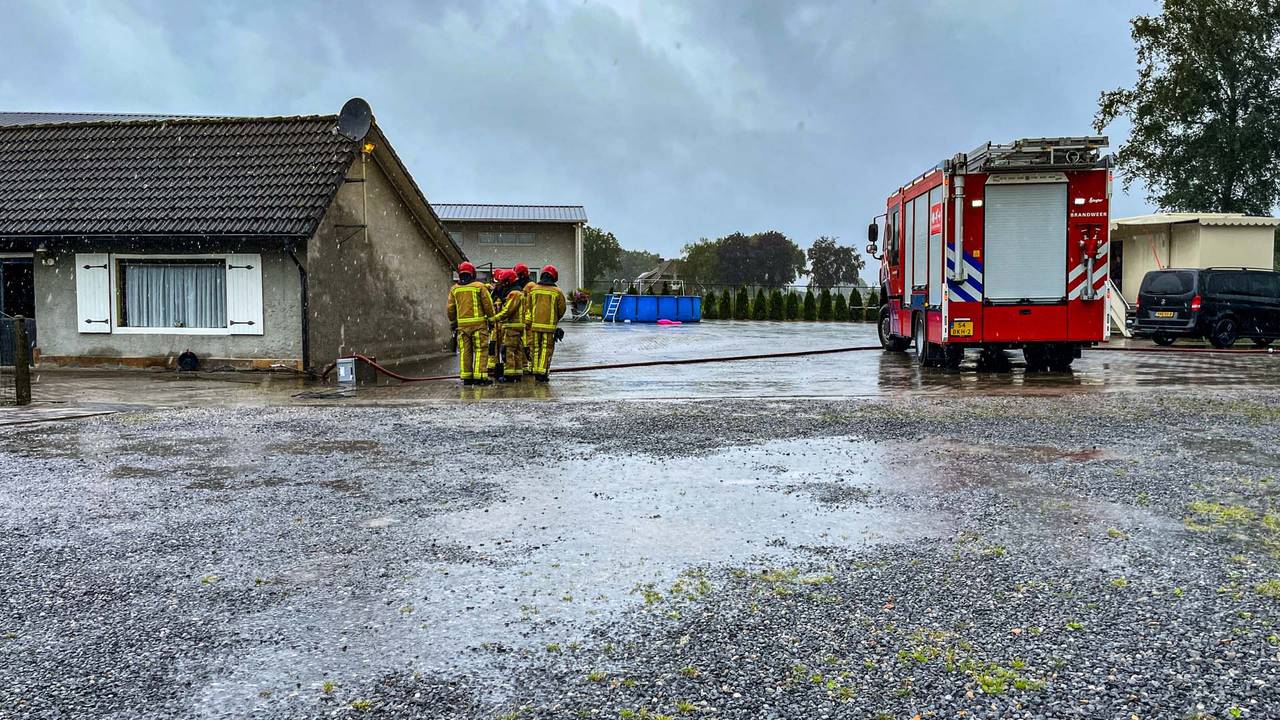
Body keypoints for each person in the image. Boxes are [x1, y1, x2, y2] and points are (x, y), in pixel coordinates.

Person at [446, 261, 495, 385]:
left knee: (465, 351)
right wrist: (491, 320)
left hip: (462, 326)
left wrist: (453, 322)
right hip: (479, 326)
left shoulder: (454, 289)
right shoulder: (479, 287)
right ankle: (480, 376)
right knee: (480, 349)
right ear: (472, 273)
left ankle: (467, 376)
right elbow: (488, 305)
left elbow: (450, 308)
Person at [526, 264, 567, 382]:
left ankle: (534, 370)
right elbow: (562, 309)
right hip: (549, 327)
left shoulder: (533, 290)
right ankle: (542, 373)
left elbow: (528, 307)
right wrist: (554, 319)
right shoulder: (557, 292)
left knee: (535, 348)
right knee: (546, 349)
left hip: (534, 326)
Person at [490, 269, 526, 382]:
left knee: (508, 350)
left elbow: (508, 310)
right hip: (517, 326)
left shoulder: (514, 293)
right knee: (517, 351)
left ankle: (510, 374)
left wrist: (494, 318)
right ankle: (517, 373)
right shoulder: (519, 291)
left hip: (512, 326)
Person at [513, 263, 535, 373]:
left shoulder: (530, 286)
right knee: (522, 344)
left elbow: (532, 304)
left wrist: (528, 318)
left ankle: (531, 366)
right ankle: (525, 366)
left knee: (530, 344)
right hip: (522, 320)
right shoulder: (522, 286)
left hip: (529, 321)